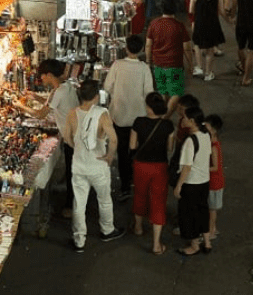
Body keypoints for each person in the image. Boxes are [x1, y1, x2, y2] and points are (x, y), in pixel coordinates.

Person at [64, 79, 123, 251]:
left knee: (79, 203)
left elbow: (67, 138)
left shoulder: (72, 113)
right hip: (98, 165)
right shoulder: (102, 114)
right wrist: (110, 156)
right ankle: (107, 230)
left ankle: (79, 240)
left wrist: (77, 148)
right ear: (96, 96)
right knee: (104, 200)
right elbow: (113, 139)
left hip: (79, 166)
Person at [15, 60, 79, 218]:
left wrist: (19, 105)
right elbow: (49, 104)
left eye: (42, 76)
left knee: (74, 173)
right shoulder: (64, 87)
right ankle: (72, 203)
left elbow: (40, 114)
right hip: (74, 135)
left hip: (74, 138)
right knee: (73, 171)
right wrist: (33, 96)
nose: (41, 79)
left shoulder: (59, 92)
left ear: (49, 75)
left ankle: (72, 207)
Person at [103, 35, 153, 201]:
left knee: (122, 152)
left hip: (119, 116)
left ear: (126, 48)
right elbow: (149, 92)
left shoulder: (117, 65)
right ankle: (137, 183)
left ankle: (125, 187)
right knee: (136, 152)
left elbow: (107, 86)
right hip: (139, 118)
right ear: (140, 50)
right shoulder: (144, 68)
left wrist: (118, 94)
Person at [130, 92, 175, 255]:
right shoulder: (168, 125)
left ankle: (138, 227)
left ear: (149, 108)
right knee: (158, 201)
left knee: (140, 194)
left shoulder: (138, 122)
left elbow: (132, 145)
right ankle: (156, 244)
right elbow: (170, 148)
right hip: (160, 167)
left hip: (141, 165)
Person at [173, 106, 213, 256]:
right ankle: (207, 242)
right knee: (203, 212)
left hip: (191, 184)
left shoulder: (190, 141)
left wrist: (178, 186)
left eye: (184, 117)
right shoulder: (206, 135)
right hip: (204, 181)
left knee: (189, 215)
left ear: (191, 121)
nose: (181, 120)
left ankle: (194, 245)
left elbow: (187, 167)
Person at [145, 0, 193, 110]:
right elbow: (187, 48)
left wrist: (148, 61)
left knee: (162, 91)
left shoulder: (154, 24)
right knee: (176, 93)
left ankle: (162, 114)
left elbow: (148, 45)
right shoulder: (179, 26)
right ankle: (165, 117)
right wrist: (191, 64)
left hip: (158, 64)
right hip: (174, 65)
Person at [190, 0, 227, 80]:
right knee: (210, 50)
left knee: (197, 45)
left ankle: (199, 67)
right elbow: (221, 10)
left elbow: (191, 10)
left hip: (199, 23)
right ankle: (208, 73)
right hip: (213, 24)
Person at [206, 114, 225, 240]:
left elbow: (215, 167)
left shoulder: (214, 146)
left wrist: (201, 169)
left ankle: (211, 231)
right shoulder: (213, 144)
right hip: (214, 182)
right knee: (211, 209)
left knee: (212, 209)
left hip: (214, 183)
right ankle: (212, 229)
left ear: (213, 130)